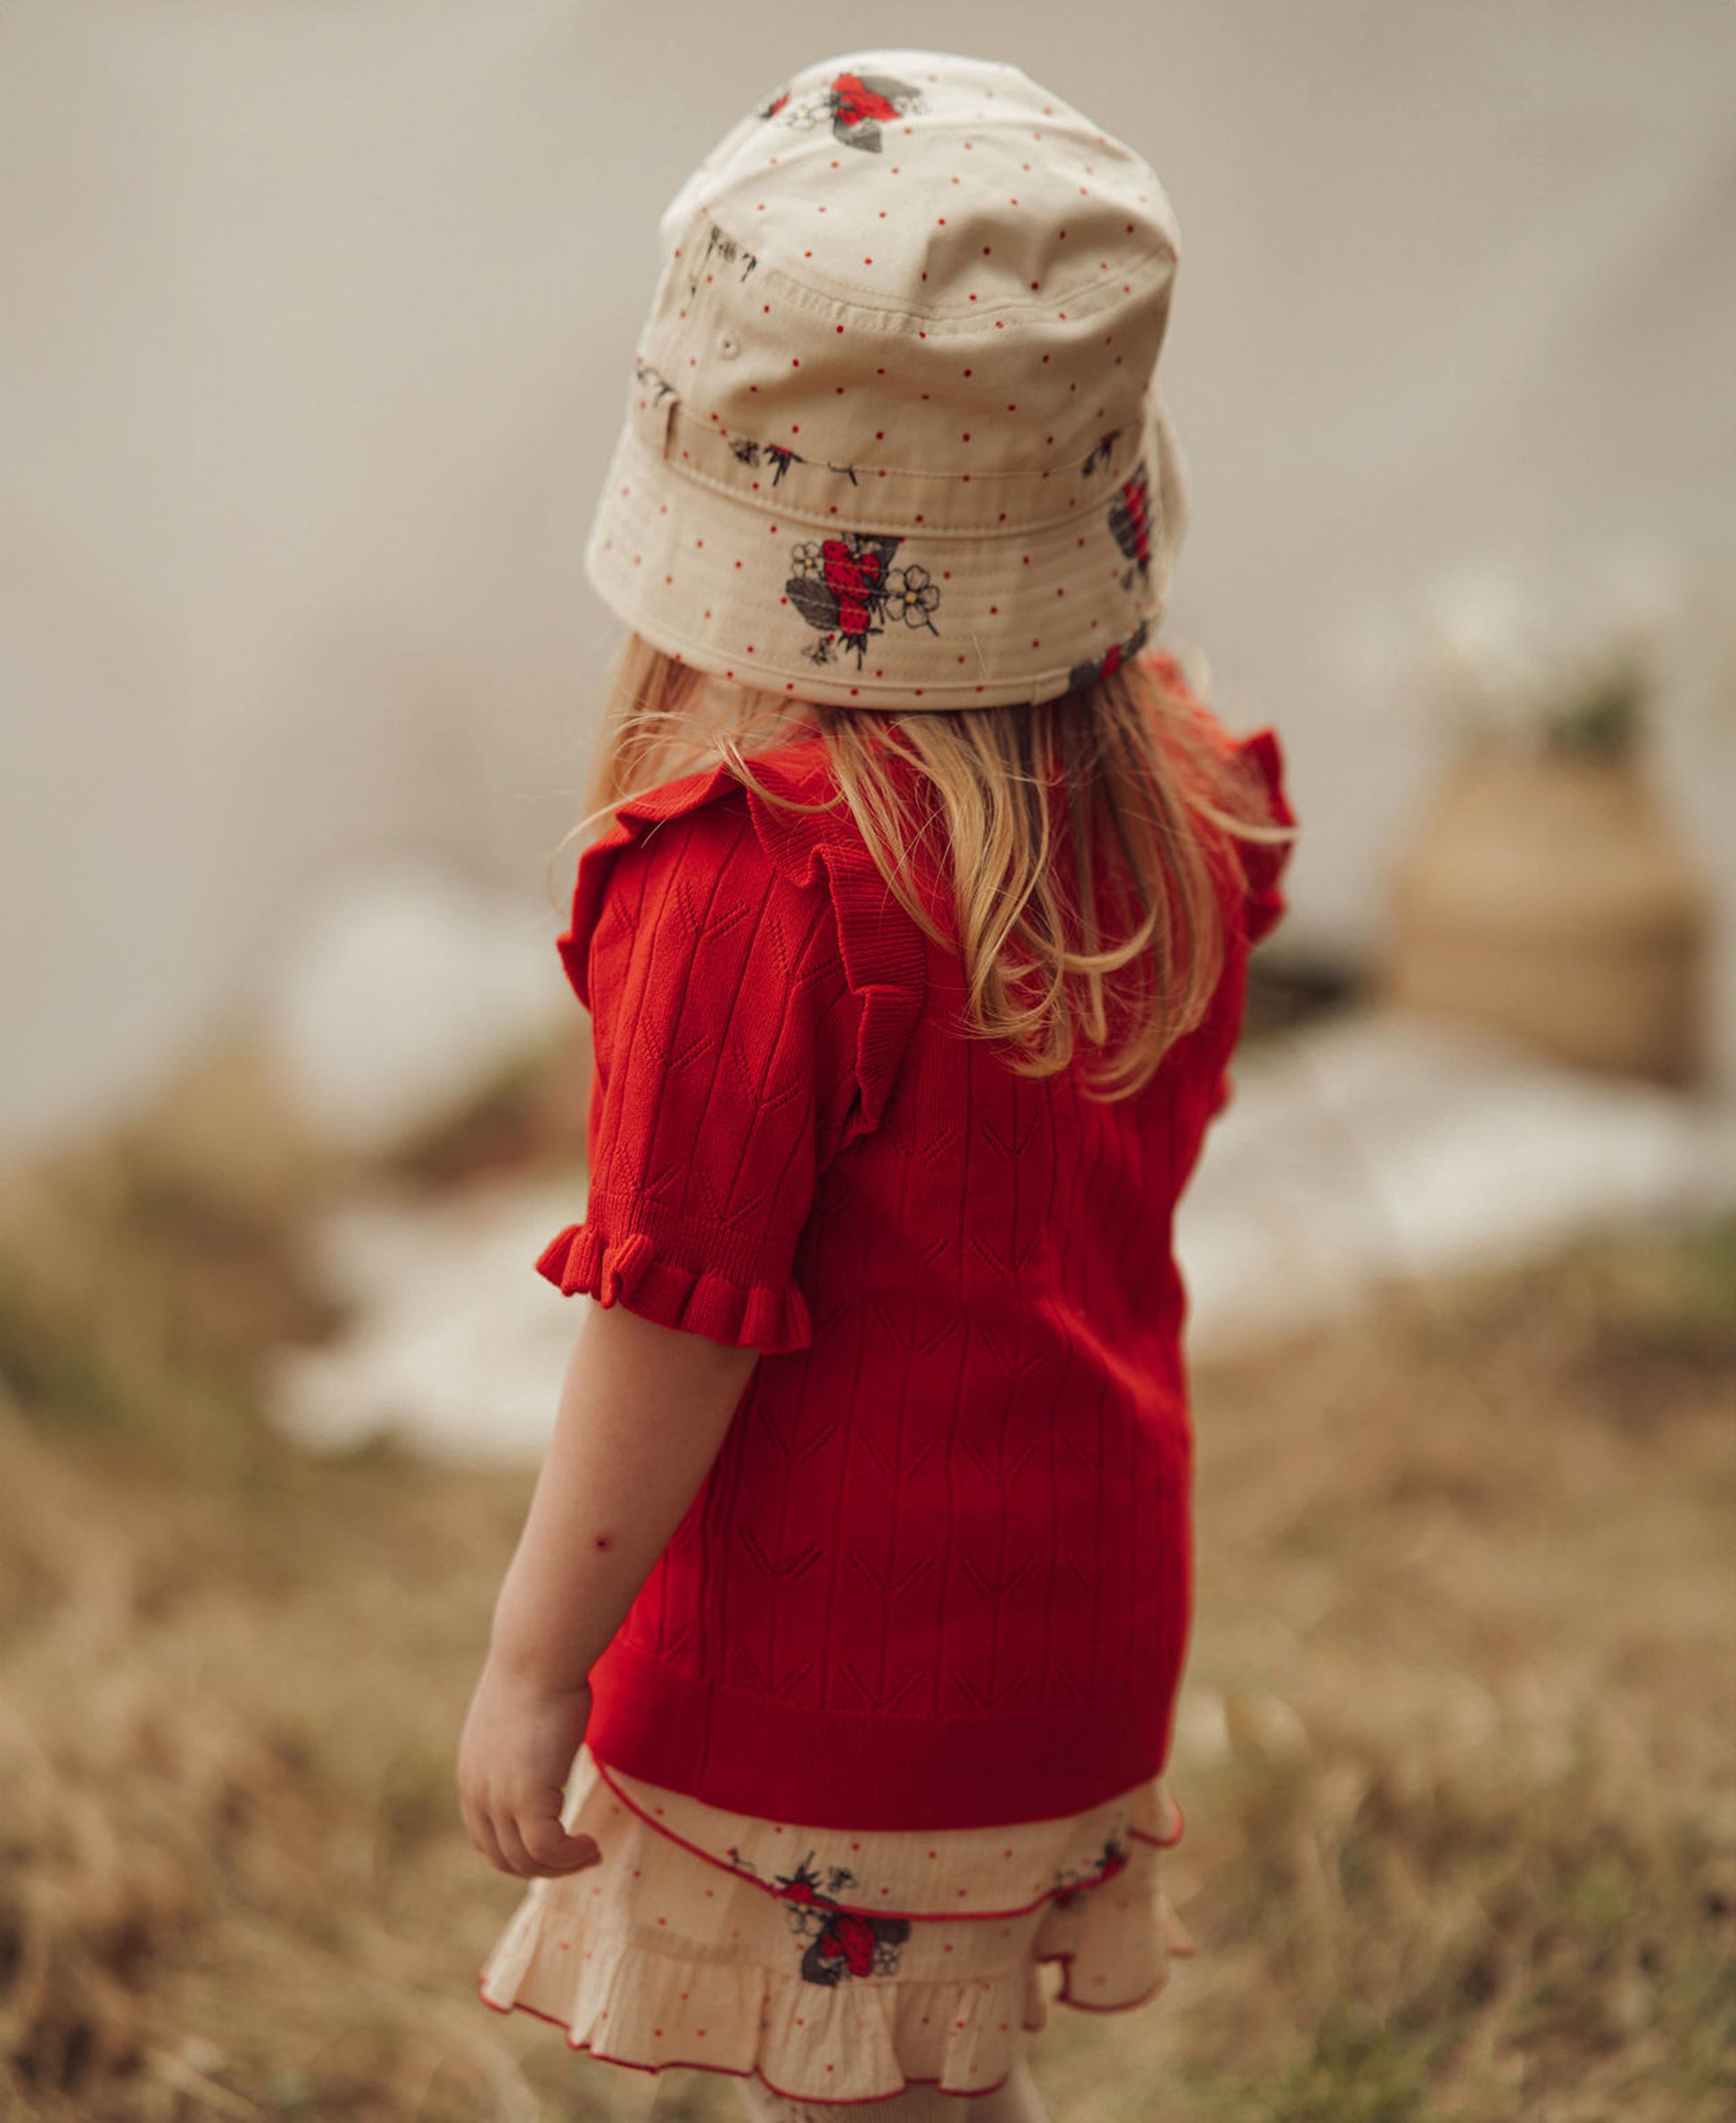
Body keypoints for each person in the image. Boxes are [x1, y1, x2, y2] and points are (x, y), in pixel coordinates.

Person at [460, 48, 1295, 2121]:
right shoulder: (1168, 789)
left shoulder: (760, 887)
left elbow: (669, 1329)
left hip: (830, 1666)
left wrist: (530, 1657)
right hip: (1079, 1606)